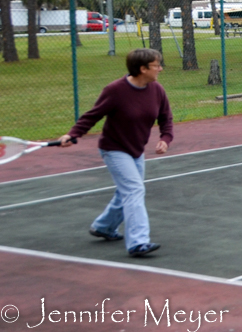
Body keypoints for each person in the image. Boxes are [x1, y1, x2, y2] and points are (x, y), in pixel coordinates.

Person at [58, 48, 172, 257]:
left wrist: (165, 139)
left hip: (136, 149)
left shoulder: (157, 90)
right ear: (142, 69)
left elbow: (166, 118)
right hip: (114, 148)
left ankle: (103, 227)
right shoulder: (115, 90)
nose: (160, 69)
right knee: (134, 190)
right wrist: (73, 134)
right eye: (157, 65)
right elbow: (92, 115)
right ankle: (138, 242)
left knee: (125, 192)